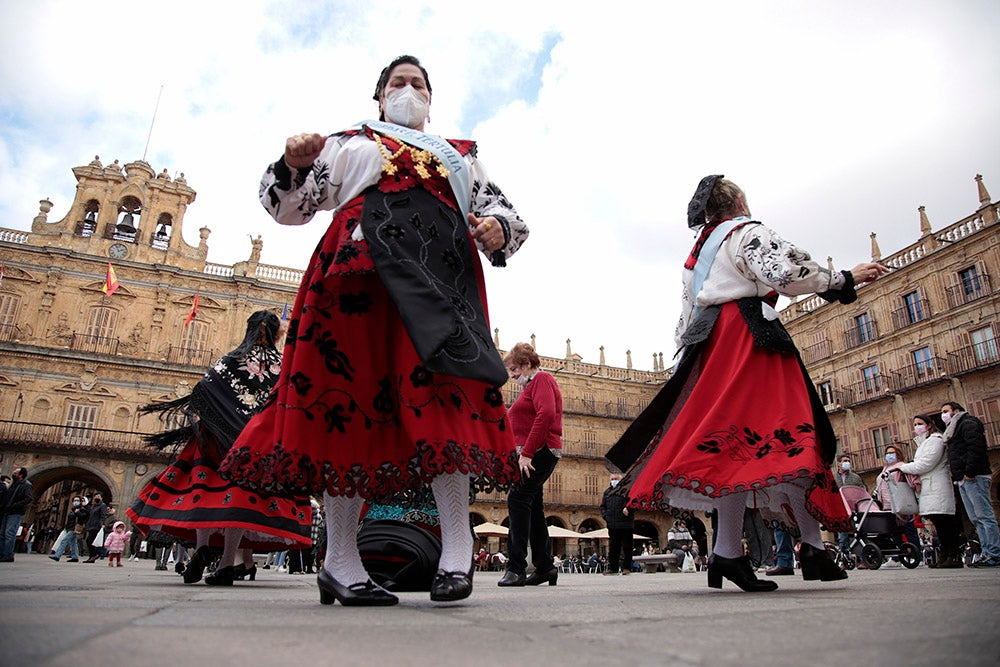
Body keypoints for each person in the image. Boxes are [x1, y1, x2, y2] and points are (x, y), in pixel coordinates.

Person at [218, 55, 527, 607]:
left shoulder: (461, 156)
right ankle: (340, 561)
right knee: (347, 400)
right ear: (379, 96)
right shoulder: (345, 143)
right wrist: (291, 163)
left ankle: (457, 551)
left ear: (430, 99)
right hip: (357, 270)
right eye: (397, 83)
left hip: (441, 276)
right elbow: (289, 207)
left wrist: (498, 229)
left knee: (446, 398)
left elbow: (503, 213)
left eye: (418, 84)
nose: (408, 90)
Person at [607, 176, 889, 592]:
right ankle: (800, 546)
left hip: (714, 343)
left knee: (733, 445)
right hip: (749, 339)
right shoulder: (746, 232)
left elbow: (686, 318)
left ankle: (746, 552)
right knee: (789, 435)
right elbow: (785, 272)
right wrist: (843, 278)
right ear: (738, 201)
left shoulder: (698, 255)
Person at [128, 310, 312, 585]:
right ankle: (226, 563)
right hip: (253, 446)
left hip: (215, 441)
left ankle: (202, 550)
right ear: (278, 334)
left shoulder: (230, 359)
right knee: (238, 501)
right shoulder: (282, 365)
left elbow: (203, 390)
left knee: (204, 494)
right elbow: (290, 402)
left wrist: (224, 421)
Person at [497, 342, 563, 587]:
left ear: (526, 364)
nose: (512, 375)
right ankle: (545, 568)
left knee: (517, 499)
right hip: (536, 452)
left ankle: (516, 568)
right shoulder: (530, 387)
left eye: (514, 369)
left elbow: (546, 414)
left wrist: (526, 453)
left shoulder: (542, 379)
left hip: (540, 451)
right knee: (533, 508)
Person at [896, 414, 963, 568]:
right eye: (914, 424)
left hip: (938, 486)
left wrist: (903, 467)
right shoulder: (925, 443)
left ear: (929, 425)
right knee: (939, 524)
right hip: (930, 487)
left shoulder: (936, 440)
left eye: (919, 423)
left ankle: (953, 556)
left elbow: (926, 463)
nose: (916, 427)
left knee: (946, 524)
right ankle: (945, 556)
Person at [941, 401, 1000, 567]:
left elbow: (976, 448)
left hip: (974, 477)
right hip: (963, 478)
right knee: (976, 518)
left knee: (985, 516)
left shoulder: (968, 424)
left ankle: (995, 553)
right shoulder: (954, 428)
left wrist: (969, 472)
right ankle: (988, 552)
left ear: (957, 411)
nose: (943, 415)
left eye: (946, 411)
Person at [874, 444, 922, 565]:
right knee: (894, 532)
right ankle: (899, 557)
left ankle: (917, 556)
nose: (889, 455)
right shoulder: (884, 469)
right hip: (887, 506)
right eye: (887, 453)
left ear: (898, 454)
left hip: (901, 503)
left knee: (909, 530)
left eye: (892, 453)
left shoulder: (902, 466)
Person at [600, 473, 634, 575]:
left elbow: (634, 502)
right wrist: (606, 517)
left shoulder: (627, 490)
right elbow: (602, 506)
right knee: (613, 547)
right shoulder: (607, 492)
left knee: (627, 547)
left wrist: (629, 509)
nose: (614, 480)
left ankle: (627, 568)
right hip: (612, 524)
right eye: (612, 479)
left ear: (621, 480)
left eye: (616, 479)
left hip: (626, 523)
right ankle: (613, 569)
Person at [834, 453, 866, 556]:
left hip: (854, 510)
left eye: (848, 461)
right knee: (842, 537)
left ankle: (862, 559)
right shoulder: (832, 478)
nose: (847, 463)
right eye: (845, 461)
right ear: (838, 463)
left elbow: (862, 492)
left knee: (859, 534)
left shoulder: (856, 478)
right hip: (840, 510)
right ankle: (845, 558)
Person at [0, 467, 33, 562]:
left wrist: (15, 505)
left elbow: (28, 498)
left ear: (21, 475)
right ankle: (2, 553)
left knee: (9, 533)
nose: (13, 473)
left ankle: (8, 555)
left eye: (15, 472)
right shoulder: (13, 484)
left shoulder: (26, 485)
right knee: (2, 534)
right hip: (7, 511)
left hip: (15, 512)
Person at [49, 496, 89, 562]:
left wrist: (77, 512)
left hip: (74, 528)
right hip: (69, 527)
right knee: (73, 543)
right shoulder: (73, 509)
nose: (76, 502)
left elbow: (84, 516)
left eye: (78, 500)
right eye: (74, 500)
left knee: (64, 540)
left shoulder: (81, 509)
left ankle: (57, 556)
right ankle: (75, 557)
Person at [82, 493, 109, 562]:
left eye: (99, 496)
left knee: (89, 540)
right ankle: (91, 557)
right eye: (96, 496)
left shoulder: (102, 505)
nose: (97, 497)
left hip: (96, 526)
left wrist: (102, 524)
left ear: (101, 498)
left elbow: (103, 515)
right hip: (91, 525)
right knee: (91, 541)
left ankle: (94, 554)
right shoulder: (94, 506)